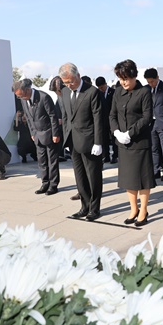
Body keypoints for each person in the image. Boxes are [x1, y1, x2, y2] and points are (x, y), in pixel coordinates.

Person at [110, 59, 156, 226]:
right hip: (123, 143)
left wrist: (130, 133)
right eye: (121, 79)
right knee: (128, 179)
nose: (123, 82)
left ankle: (143, 209)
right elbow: (112, 115)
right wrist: (116, 132)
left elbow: (146, 117)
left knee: (142, 179)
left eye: (126, 78)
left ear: (134, 76)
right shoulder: (117, 92)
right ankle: (133, 209)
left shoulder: (143, 92)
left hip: (139, 142)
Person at [59, 63, 104, 221]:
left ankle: (94, 208)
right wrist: (65, 139)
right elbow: (66, 118)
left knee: (93, 176)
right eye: (65, 82)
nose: (69, 85)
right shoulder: (64, 92)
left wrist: (98, 142)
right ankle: (84, 206)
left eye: (71, 81)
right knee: (79, 177)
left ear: (78, 75)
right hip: (73, 141)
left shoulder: (92, 92)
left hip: (90, 141)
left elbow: (99, 118)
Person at [12, 78, 62, 195]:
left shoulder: (43, 97)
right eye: (18, 97)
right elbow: (29, 118)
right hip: (37, 135)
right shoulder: (24, 101)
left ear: (28, 90)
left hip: (49, 133)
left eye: (22, 95)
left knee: (52, 161)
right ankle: (45, 183)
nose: (21, 98)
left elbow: (52, 116)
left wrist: (55, 133)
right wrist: (32, 133)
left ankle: (53, 185)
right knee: (41, 161)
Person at [144, 68, 163, 181]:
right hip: (151, 124)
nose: (151, 84)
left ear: (157, 77)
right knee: (154, 148)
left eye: (152, 81)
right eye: (148, 82)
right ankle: (156, 171)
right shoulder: (146, 89)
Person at [95, 76, 117, 164]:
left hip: (112, 118)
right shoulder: (98, 94)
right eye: (99, 88)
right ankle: (106, 155)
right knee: (104, 139)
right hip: (103, 120)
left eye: (102, 87)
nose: (101, 89)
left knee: (114, 138)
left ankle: (115, 156)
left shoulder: (113, 92)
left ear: (105, 84)